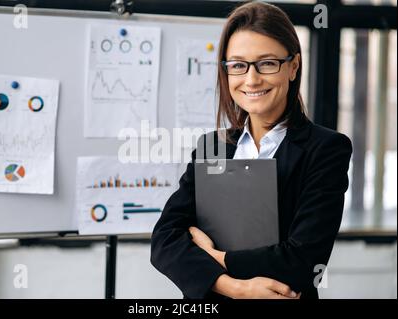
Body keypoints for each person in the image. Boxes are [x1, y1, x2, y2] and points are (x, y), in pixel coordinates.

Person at [150, 1, 352, 299]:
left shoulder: (325, 149)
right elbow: (165, 240)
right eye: (238, 65)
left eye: (267, 63)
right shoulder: (212, 147)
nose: (251, 79)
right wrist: (237, 288)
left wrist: (217, 258)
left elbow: (303, 261)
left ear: (293, 66)